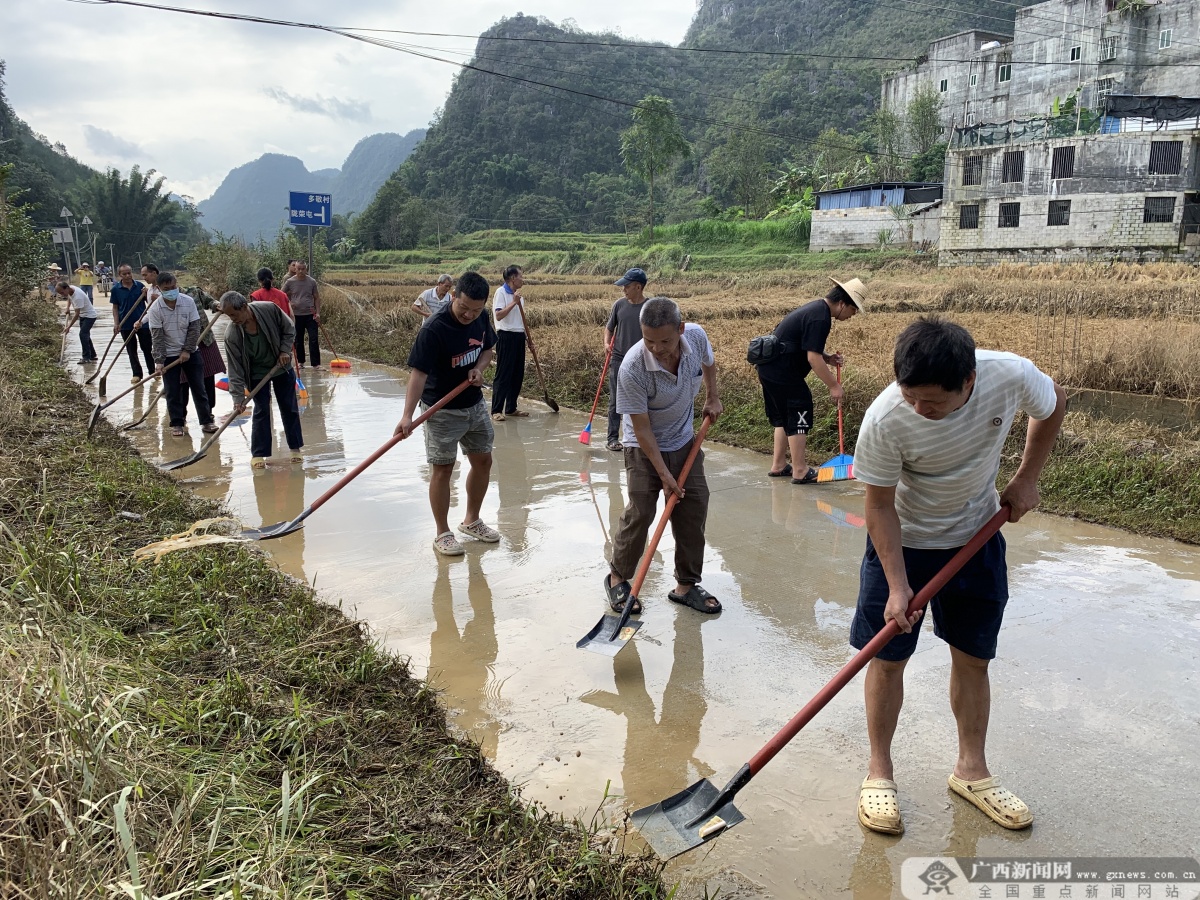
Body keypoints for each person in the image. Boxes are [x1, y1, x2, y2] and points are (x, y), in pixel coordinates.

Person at [849, 317, 1066, 836]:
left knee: (973, 657)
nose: (920, 410)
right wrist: (898, 585)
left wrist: (1026, 478)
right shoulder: (885, 419)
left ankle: (972, 771)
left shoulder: (1008, 375)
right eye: (911, 397)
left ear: (968, 381)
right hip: (903, 542)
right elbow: (878, 506)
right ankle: (880, 773)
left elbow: (1053, 402)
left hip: (976, 537)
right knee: (887, 659)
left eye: (933, 403)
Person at [605, 297, 723, 615]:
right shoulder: (632, 367)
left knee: (693, 507)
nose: (657, 349)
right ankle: (617, 578)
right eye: (649, 340)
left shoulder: (696, 336)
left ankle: (685, 585)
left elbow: (709, 363)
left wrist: (712, 397)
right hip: (644, 446)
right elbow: (642, 431)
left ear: (681, 330)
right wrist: (665, 475)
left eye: (666, 341)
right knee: (642, 511)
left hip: (684, 439)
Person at [394, 272, 499, 557]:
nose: (469, 315)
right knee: (443, 469)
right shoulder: (434, 328)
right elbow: (418, 374)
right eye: (464, 307)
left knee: (483, 460)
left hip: (474, 404)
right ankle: (442, 533)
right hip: (440, 409)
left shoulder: (481, 317)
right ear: (453, 296)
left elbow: (488, 349)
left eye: (475, 310)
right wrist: (407, 416)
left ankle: (471, 521)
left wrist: (479, 368)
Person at [755, 276, 864, 484]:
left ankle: (778, 465)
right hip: (783, 372)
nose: (853, 314)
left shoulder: (815, 309)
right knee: (799, 410)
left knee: (784, 417)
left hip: (769, 368)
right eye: (853, 309)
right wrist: (834, 386)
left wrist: (828, 358)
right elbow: (812, 358)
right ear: (842, 304)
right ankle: (800, 470)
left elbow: (806, 347)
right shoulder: (821, 317)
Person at [220, 291, 303, 469]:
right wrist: (237, 398)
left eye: (234, 315)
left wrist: (284, 350)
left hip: (281, 366)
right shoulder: (232, 335)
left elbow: (289, 329)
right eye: (228, 316)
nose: (232, 319)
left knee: (289, 407)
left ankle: (295, 449)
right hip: (256, 374)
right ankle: (258, 454)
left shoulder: (269, 309)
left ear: (244, 307)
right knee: (261, 410)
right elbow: (235, 369)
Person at [147, 272, 216, 437]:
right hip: (169, 354)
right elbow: (157, 337)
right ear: (159, 289)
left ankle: (206, 421)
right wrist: (159, 362)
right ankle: (177, 424)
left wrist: (187, 350)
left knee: (199, 388)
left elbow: (194, 329)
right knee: (172, 391)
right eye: (167, 289)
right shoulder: (156, 309)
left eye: (173, 287)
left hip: (191, 352)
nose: (171, 291)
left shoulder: (188, 302)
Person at [603, 267, 649, 452]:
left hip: (644, 361)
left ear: (638, 287)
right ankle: (612, 438)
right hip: (619, 358)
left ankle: (643, 438)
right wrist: (607, 344)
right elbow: (609, 328)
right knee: (616, 399)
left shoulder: (650, 307)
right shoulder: (619, 305)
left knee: (645, 400)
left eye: (627, 286)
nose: (624, 289)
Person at [490, 265, 527, 421]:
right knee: (503, 374)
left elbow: (520, 320)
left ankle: (511, 408)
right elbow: (498, 315)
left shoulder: (519, 296)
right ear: (513, 278)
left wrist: (527, 339)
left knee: (517, 374)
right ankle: (496, 410)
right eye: (521, 276)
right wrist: (513, 302)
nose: (522, 279)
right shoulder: (501, 292)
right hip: (506, 336)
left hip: (519, 336)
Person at [109, 264, 154, 383]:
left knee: (147, 348)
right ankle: (137, 374)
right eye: (125, 274)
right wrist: (116, 323)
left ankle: (153, 371)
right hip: (125, 324)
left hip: (142, 322)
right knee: (131, 349)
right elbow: (115, 308)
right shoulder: (115, 289)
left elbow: (150, 302)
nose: (128, 275)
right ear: (120, 275)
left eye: (129, 273)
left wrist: (147, 293)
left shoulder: (139, 286)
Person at [283, 260, 321, 368]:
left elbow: (316, 297)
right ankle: (300, 362)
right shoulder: (290, 282)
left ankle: (316, 364)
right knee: (298, 339)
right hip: (296, 315)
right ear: (295, 269)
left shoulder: (312, 281)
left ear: (306, 269)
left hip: (311, 314)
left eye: (303, 269)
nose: (300, 271)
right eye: (298, 269)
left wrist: (318, 313)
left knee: (313, 338)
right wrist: (290, 303)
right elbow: (282, 295)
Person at [56, 280, 99, 363]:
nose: (62, 295)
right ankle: (92, 355)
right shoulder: (71, 289)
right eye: (60, 293)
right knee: (85, 335)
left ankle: (86, 358)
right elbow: (69, 297)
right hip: (83, 315)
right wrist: (68, 307)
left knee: (83, 334)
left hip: (89, 316)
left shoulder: (77, 297)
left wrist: (68, 327)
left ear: (67, 288)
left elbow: (76, 314)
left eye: (62, 292)